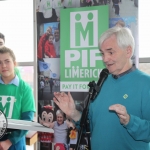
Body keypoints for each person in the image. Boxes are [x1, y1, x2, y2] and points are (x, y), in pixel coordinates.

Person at [53, 27, 150, 150]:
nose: (105, 59)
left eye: (110, 52)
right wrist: (73, 113)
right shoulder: (102, 82)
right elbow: (91, 126)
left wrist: (130, 121)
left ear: (128, 51)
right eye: (102, 53)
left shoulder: (146, 84)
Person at [0, 46, 36, 150]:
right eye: (0, 62)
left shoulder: (25, 89)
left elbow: (27, 121)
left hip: (14, 143)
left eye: (7, 61)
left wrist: (8, 142)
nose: (3, 66)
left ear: (14, 63)